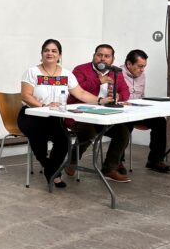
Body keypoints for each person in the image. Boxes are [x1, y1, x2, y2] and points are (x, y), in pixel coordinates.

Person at [17, 39, 109, 188]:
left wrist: (100, 100)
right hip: (31, 115)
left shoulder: (66, 74)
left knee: (63, 141)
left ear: (59, 55)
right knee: (38, 139)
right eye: (46, 50)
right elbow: (26, 96)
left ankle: (51, 170)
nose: (50, 53)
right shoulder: (32, 72)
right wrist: (44, 105)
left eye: (54, 51)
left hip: (54, 117)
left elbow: (80, 93)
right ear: (41, 54)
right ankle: (52, 171)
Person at [68, 44, 132, 182]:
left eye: (107, 56)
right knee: (88, 131)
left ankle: (109, 169)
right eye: (99, 55)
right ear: (94, 56)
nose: (102, 59)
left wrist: (118, 97)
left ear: (112, 59)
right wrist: (98, 81)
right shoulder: (80, 69)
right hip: (79, 115)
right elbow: (77, 90)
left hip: (103, 116)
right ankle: (71, 161)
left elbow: (125, 91)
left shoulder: (116, 72)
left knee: (122, 132)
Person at [122, 49, 170, 173]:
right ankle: (117, 162)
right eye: (140, 66)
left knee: (160, 121)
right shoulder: (117, 74)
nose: (142, 70)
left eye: (144, 67)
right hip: (123, 112)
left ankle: (155, 160)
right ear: (129, 64)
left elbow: (141, 97)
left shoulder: (142, 76)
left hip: (137, 111)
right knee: (125, 123)